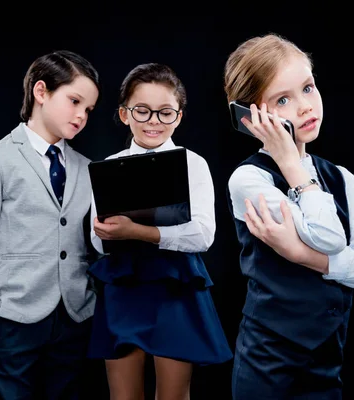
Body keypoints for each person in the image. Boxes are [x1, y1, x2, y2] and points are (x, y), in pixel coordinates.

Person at [223, 33, 354, 399]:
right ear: (251, 118)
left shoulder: (341, 177)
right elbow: (329, 237)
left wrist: (300, 255)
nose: (304, 106)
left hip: (328, 359)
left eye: (308, 88)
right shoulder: (249, 179)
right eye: (283, 99)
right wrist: (289, 161)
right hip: (268, 363)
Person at [86, 62, 232, 400]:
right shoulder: (108, 166)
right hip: (123, 283)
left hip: (175, 282)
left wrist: (136, 231)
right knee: (123, 395)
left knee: (173, 394)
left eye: (165, 112)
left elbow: (204, 235)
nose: (153, 120)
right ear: (125, 114)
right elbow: (98, 240)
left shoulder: (192, 162)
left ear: (178, 116)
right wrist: (107, 233)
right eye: (143, 111)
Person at [0, 50, 100, 399]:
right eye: (74, 101)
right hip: (12, 316)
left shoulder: (86, 167)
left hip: (74, 316)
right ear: (41, 92)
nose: (82, 115)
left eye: (89, 110)